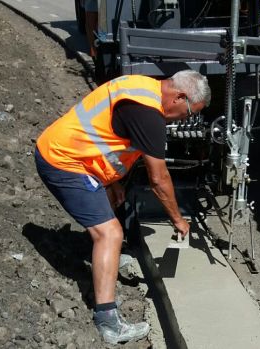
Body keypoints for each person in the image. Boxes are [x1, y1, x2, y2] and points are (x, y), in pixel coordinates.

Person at [34, 70, 211, 344]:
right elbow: (159, 179)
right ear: (179, 96)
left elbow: (112, 135)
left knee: (109, 220)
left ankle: (110, 259)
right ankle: (108, 322)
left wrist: (110, 181)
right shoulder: (149, 115)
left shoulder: (143, 87)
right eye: (189, 112)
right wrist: (178, 219)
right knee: (111, 233)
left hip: (75, 155)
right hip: (64, 162)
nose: (186, 119)